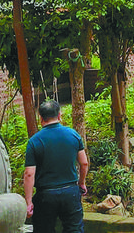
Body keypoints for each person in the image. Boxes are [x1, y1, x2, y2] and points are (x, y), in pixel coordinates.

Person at [24, 100, 90, 233]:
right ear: (59, 115)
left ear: (41, 118)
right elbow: (84, 163)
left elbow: (29, 174)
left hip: (46, 195)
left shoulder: (34, 141)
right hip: (70, 192)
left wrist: (29, 201)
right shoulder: (73, 135)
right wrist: (81, 183)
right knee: (74, 229)